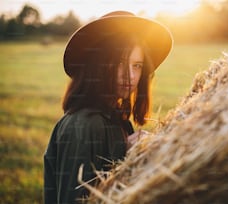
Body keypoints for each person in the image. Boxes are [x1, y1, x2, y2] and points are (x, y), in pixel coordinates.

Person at [43, 11, 172, 204]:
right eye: (120, 63)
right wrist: (124, 158)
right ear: (98, 65)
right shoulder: (83, 126)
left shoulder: (115, 119)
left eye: (137, 65)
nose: (130, 76)